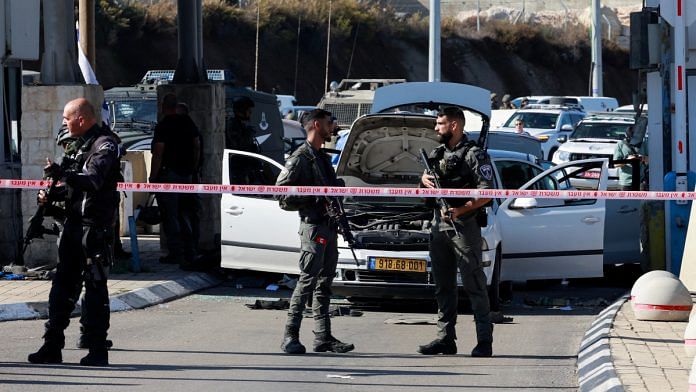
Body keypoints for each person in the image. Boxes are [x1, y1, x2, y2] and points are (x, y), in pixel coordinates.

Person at [28, 98, 121, 366]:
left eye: (67, 119)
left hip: (94, 227)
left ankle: (96, 350)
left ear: (82, 119)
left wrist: (63, 175)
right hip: (72, 225)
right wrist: (51, 193)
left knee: (94, 287)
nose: (64, 123)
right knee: (62, 286)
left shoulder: (105, 144)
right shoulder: (75, 146)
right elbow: (72, 188)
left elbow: (92, 181)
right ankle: (51, 346)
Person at [275, 109, 354, 355]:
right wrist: (315, 197)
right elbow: (281, 195)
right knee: (307, 280)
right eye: (330, 123)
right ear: (317, 125)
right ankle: (290, 336)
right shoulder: (300, 158)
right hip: (313, 226)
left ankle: (323, 337)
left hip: (328, 227)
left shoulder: (320, 157)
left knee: (325, 283)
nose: (334, 127)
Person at [418, 107, 494, 358]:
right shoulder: (436, 153)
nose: (436, 128)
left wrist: (460, 210)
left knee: (474, 283)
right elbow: (423, 189)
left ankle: (484, 340)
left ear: (454, 126)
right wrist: (423, 181)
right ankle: (445, 339)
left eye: (440, 123)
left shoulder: (474, 155)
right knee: (443, 286)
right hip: (438, 226)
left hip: (464, 227)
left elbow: (486, 192)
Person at [149, 93, 202, 270]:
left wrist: (153, 177)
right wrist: (192, 168)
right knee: (185, 213)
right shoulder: (187, 122)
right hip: (186, 175)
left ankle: (176, 254)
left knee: (170, 216)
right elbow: (196, 146)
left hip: (167, 175)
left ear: (163, 106)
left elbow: (158, 153)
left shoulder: (163, 126)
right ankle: (190, 250)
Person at [613, 125, 648, 191]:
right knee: (626, 201)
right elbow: (616, 164)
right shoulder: (620, 144)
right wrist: (628, 160)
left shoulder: (643, 143)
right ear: (627, 136)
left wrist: (641, 158)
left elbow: (649, 159)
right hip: (626, 182)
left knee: (641, 201)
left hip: (640, 180)